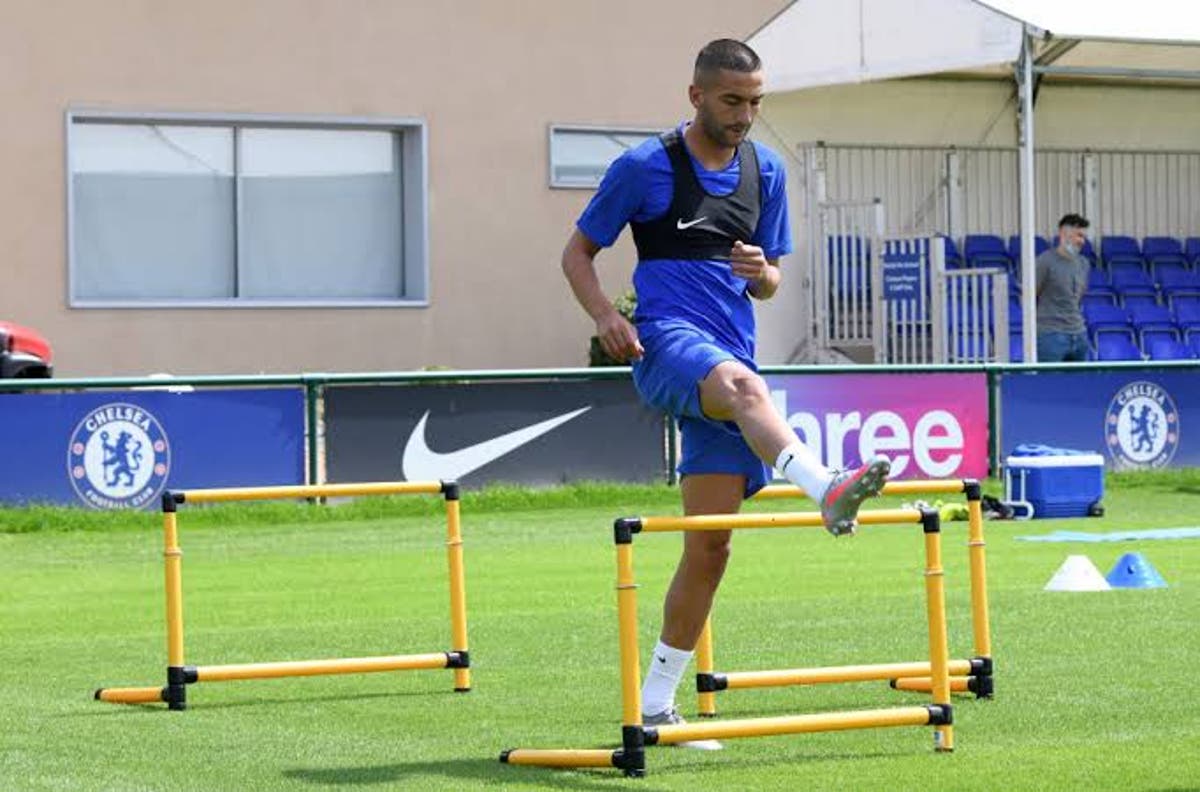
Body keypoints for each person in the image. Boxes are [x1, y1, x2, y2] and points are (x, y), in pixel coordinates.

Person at [560, 38, 890, 747]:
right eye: (733, 101)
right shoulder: (644, 166)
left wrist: (756, 270)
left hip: (730, 359)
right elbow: (577, 253)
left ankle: (655, 706)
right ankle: (826, 488)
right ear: (697, 97)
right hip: (667, 347)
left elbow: (771, 281)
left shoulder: (766, 171)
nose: (746, 115)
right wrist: (605, 315)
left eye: (756, 102)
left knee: (710, 549)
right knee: (745, 388)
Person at [1035, 213, 1092, 362]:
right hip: (1050, 335)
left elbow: (1078, 296)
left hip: (1078, 333)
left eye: (1083, 237)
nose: (1082, 241)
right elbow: (1029, 297)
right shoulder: (1044, 261)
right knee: (1049, 382)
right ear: (1063, 233)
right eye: (1078, 235)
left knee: (1079, 384)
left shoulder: (1083, 264)